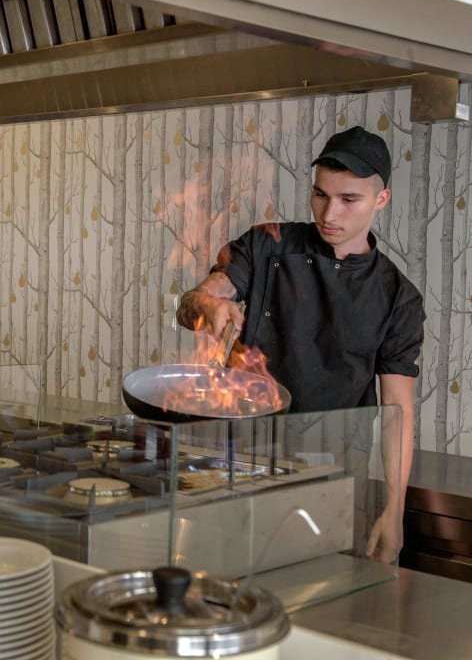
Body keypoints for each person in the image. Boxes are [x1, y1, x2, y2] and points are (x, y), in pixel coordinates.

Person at [177, 125, 424, 563]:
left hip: (330, 478)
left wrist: (395, 509)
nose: (329, 213)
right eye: (320, 195)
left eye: (349, 199)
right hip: (238, 466)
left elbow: (397, 412)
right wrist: (208, 306)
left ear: (381, 200)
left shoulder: (397, 297)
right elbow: (192, 303)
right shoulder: (266, 244)